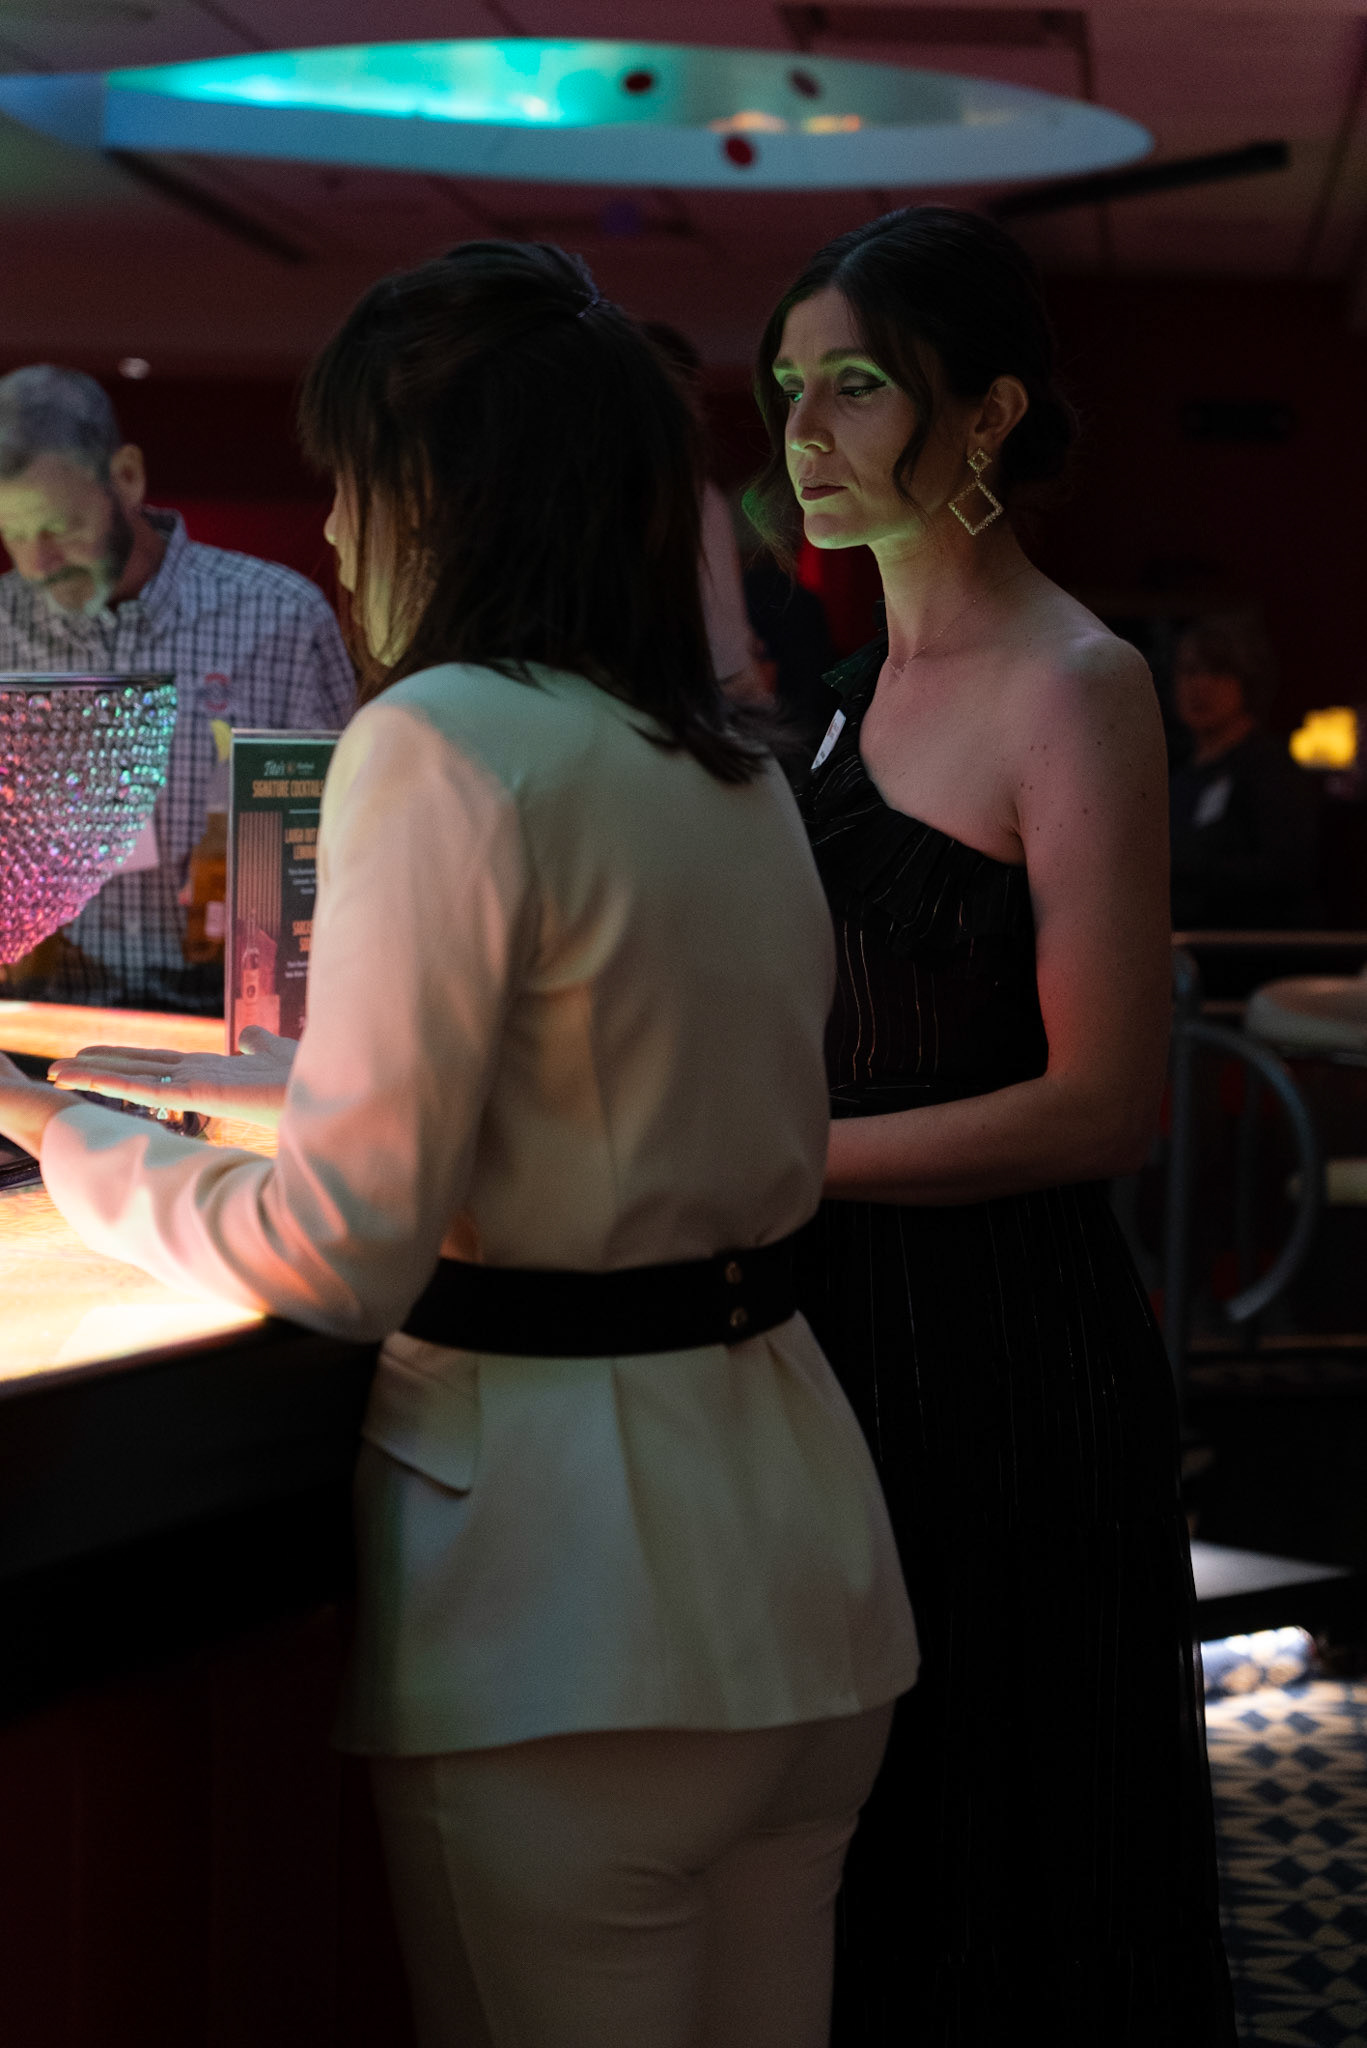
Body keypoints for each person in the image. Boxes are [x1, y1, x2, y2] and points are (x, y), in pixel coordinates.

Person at [0, 244, 917, 2048]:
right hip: (804, 1566)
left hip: (569, 1617)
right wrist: (197, 1092)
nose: (337, 535)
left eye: (354, 481)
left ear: (444, 494)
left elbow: (343, 1248)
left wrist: (61, 1133)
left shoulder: (437, 738)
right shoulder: (732, 769)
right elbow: (581, 1093)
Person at [745, 207, 1236, 2046]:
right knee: (866, 1867)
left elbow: (1105, 1103)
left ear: (988, 409)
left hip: (1006, 1357)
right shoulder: (842, 694)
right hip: (839, 1337)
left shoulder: (1073, 680)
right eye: (789, 386)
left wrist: (783, 1167)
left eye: (856, 385)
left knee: (1004, 1877)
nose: (803, 431)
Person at [0, 365, 354, 1012]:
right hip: (39, 1007)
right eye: (14, 533)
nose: (38, 563)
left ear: (127, 477)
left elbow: (346, 841)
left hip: (234, 1010)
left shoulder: (280, 617)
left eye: (60, 525)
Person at [1169, 611, 1319, 929]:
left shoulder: (1271, 770)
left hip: (1245, 947)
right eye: (1189, 671)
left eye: (1217, 671)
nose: (1200, 685)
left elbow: (1285, 870)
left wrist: (1186, 869)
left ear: (1247, 682)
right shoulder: (1177, 773)